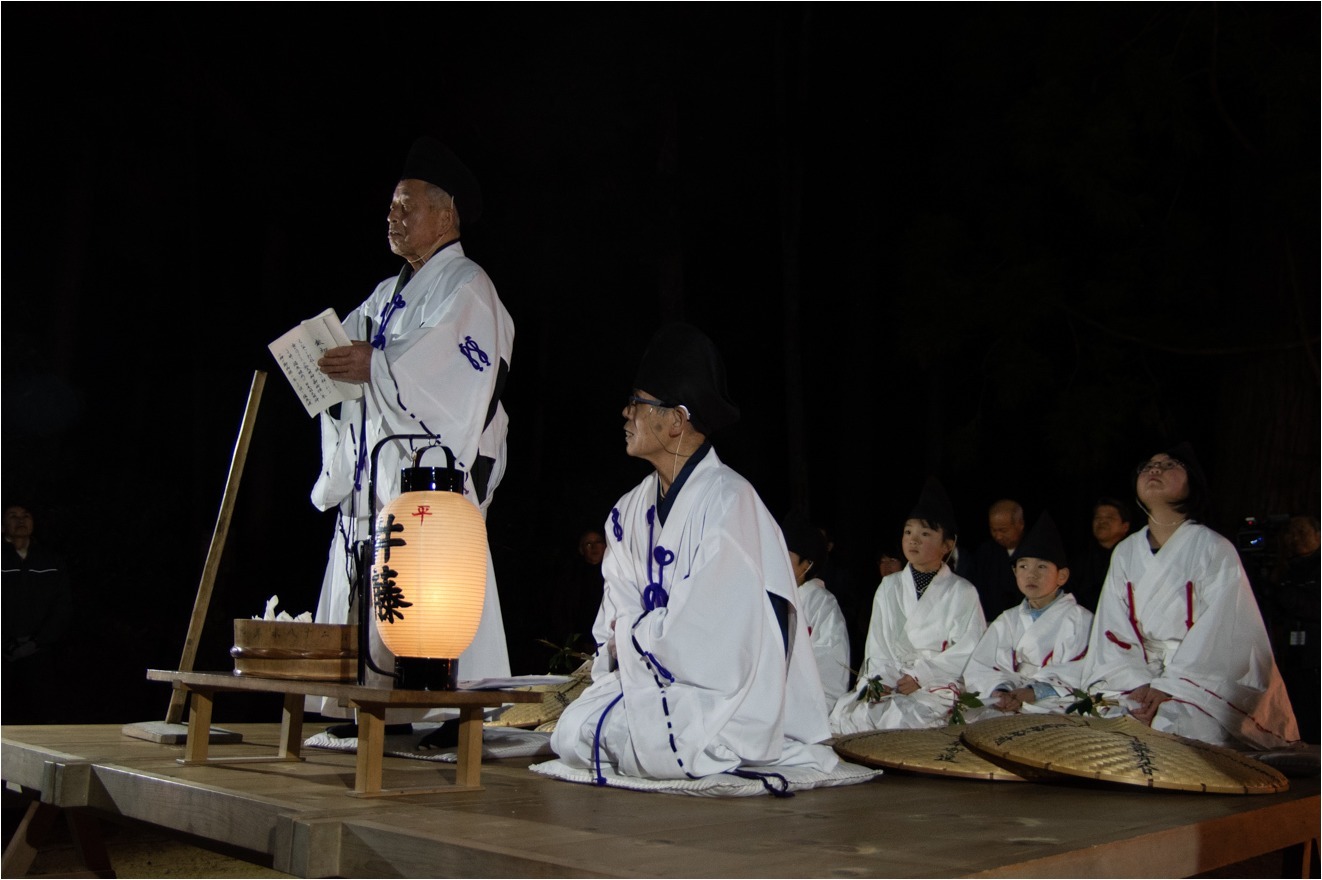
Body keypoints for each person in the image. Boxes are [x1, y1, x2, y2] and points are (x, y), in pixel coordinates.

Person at [550, 323, 838, 783]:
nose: (626, 413)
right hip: (649, 681)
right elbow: (617, 607)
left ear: (676, 420)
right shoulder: (627, 511)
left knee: (659, 746)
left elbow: (717, 635)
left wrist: (632, 639)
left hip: (725, 692)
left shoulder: (730, 502)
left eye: (638, 403)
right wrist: (632, 641)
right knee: (571, 733)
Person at [308, 136, 513, 722]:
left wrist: (376, 365)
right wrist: (322, 367)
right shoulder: (384, 295)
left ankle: (437, 717)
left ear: (445, 214)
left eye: (406, 205)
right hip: (374, 480)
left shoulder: (467, 286)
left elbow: (455, 384)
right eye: (391, 206)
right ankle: (362, 712)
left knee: (420, 598)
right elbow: (343, 350)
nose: (392, 216)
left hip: (424, 485)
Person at [1077, 443, 1299, 749]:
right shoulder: (1126, 552)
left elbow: (1224, 631)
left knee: (1182, 725)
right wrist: (1138, 683)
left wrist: (1171, 686)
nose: (1154, 470)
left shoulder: (1213, 547)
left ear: (1191, 482)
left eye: (1169, 465)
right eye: (1147, 466)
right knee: (1105, 720)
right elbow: (1112, 627)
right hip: (1139, 676)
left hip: (1200, 681)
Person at [828, 478, 986, 734]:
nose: (914, 540)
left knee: (907, 719)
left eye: (925, 534)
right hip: (894, 679)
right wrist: (882, 681)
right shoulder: (889, 586)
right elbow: (878, 645)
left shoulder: (963, 591)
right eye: (908, 532)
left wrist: (920, 676)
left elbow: (968, 649)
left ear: (947, 545)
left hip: (936, 682)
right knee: (852, 714)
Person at [962, 511, 1093, 718]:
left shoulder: (1081, 620)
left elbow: (1081, 671)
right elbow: (982, 665)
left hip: (1056, 702)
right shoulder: (1007, 619)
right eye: (1023, 566)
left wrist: (1034, 692)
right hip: (1009, 698)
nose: (1031, 574)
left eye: (1041, 566)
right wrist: (1001, 691)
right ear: (1014, 573)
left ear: (1062, 576)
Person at [2, 503, 72, 724]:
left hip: (38, 651)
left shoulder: (50, 560)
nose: (20, 520)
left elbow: (62, 606)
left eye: (26, 515)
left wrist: (36, 641)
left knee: (43, 714)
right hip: (3, 651)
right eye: (13, 516)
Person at [780, 514, 851, 709]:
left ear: (807, 564)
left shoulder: (823, 603)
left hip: (804, 698)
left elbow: (831, 663)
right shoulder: (770, 598)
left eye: (786, 556)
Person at [544, 528, 608, 661]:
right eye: (588, 544)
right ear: (581, 550)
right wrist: (569, 642)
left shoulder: (615, 575)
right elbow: (559, 611)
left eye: (598, 542)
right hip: (580, 648)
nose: (594, 547)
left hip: (610, 643)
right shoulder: (570, 578)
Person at [1071, 497, 1132, 613]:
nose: (1102, 522)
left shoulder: (1133, 556)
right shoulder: (1080, 560)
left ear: (1125, 526)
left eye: (1109, 518)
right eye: (1098, 518)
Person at [971, 498, 1026, 620]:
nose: (998, 536)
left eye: (1003, 530)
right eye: (993, 530)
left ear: (1020, 524)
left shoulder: (1034, 550)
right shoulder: (985, 552)